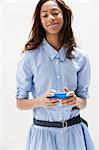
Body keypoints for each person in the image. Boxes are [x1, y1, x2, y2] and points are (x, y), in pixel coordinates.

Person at [16, 0, 95, 149]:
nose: (51, 18)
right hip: (43, 138)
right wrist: (40, 101)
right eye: (45, 15)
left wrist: (75, 100)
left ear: (64, 16)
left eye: (55, 13)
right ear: (40, 22)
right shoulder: (29, 57)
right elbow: (20, 103)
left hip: (75, 135)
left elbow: (83, 102)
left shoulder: (81, 57)